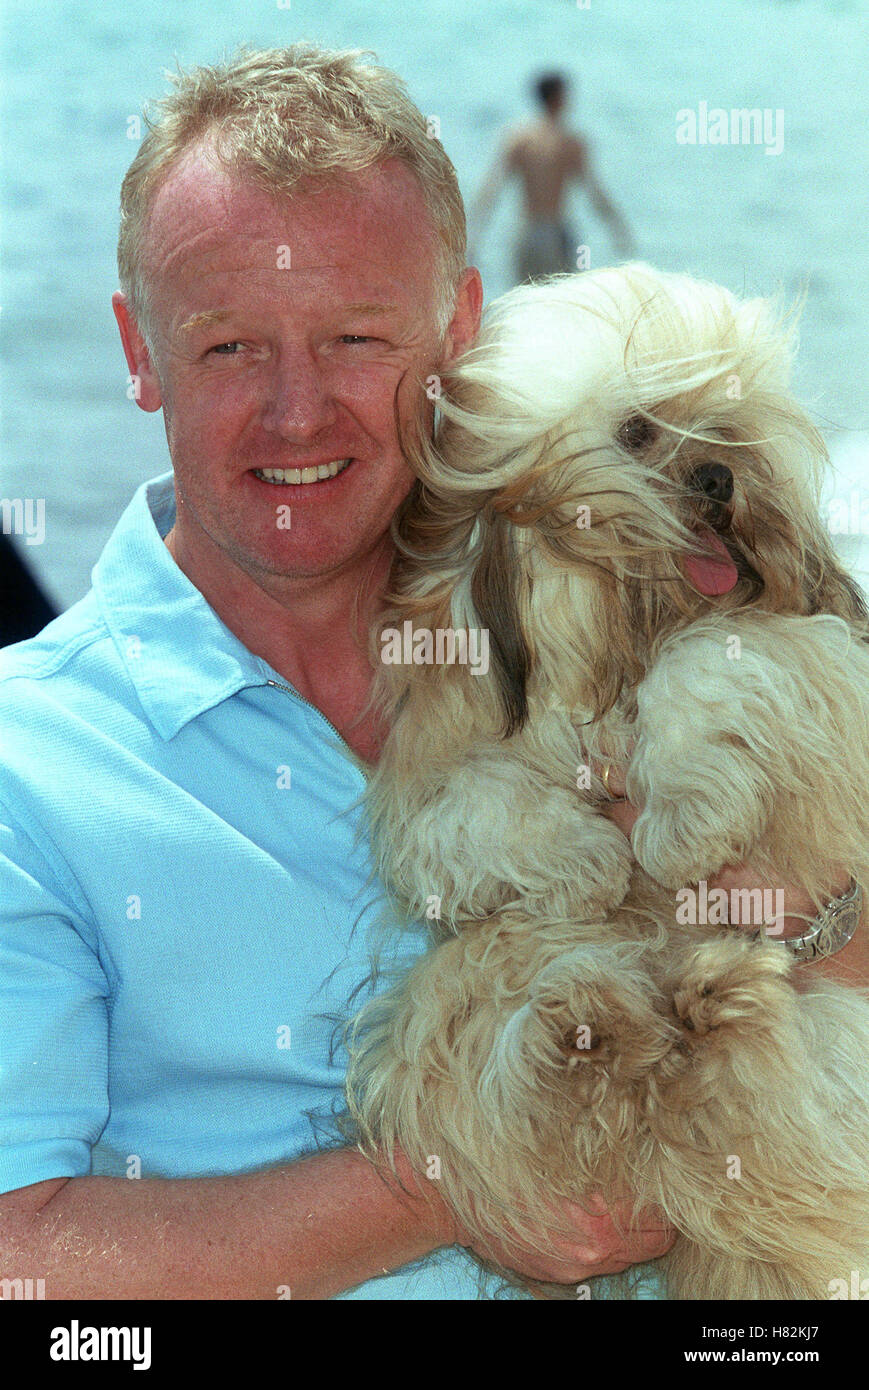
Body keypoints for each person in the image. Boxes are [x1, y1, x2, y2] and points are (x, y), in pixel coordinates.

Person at [0, 44, 674, 1300]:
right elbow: (19, 1260)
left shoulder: (609, 642)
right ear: (135, 351)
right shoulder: (25, 768)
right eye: (228, 349)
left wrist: (789, 896)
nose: (298, 413)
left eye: (357, 337)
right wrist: (454, 1180)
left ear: (458, 327)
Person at [473, 71, 634, 282]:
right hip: (556, 232)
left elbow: (492, 190)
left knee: (522, 299)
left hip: (526, 232)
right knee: (560, 303)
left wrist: (474, 237)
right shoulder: (569, 142)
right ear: (558, 97)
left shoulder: (518, 138)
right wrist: (618, 229)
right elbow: (595, 193)